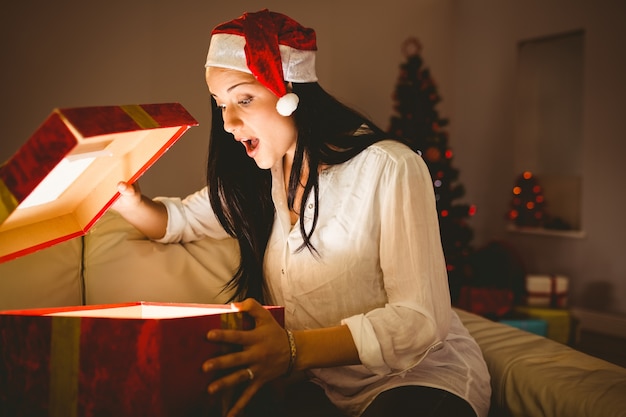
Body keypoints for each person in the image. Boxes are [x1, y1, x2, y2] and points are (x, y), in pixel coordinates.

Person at [113, 9, 491, 417]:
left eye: (244, 98)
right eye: (220, 104)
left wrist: (292, 351)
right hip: (325, 392)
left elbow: (419, 320)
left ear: (291, 93)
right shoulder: (258, 180)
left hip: (420, 381)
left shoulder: (389, 167)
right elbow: (178, 221)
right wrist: (125, 200)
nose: (228, 122)